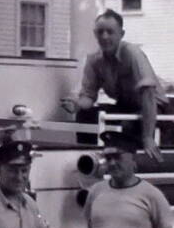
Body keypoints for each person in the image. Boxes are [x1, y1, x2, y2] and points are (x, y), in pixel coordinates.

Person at [60, 10, 168, 162]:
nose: (104, 37)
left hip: (153, 107)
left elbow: (148, 93)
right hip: (125, 106)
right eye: (100, 32)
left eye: (110, 32)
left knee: (127, 124)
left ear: (121, 34)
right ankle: (87, 159)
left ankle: (125, 165)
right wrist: (77, 104)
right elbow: (89, 96)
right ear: (95, 34)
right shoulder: (94, 60)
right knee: (85, 114)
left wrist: (148, 137)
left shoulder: (132, 53)